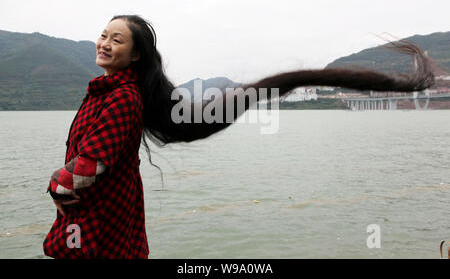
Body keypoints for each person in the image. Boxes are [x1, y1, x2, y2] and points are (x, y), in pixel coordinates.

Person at [43, 14, 436, 259]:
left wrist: (58, 185)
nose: (104, 43)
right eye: (103, 35)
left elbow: (92, 162)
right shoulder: (110, 92)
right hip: (107, 217)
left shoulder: (123, 98)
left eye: (117, 39)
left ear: (136, 56)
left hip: (100, 219)